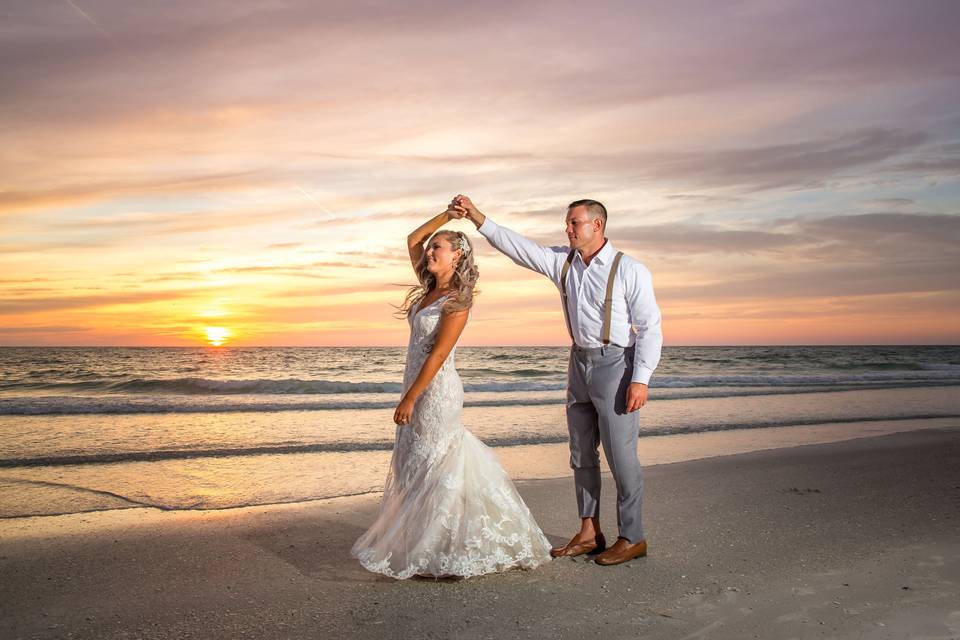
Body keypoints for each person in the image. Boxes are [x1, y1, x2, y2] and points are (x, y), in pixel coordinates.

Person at [450, 195, 662, 566]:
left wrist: (640, 379)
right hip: (578, 363)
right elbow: (520, 248)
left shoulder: (630, 269)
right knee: (581, 453)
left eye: (574, 223)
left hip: (616, 364)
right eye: (567, 223)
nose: (568, 229)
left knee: (621, 457)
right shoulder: (563, 262)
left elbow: (650, 328)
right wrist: (478, 218)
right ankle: (590, 531)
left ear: (597, 226)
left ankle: (633, 536)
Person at [351, 205, 553, 579]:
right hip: (415, 384)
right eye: (430, 250)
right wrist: (448, 217)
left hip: (436, 391)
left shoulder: (458, 299)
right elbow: (412, 239)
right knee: (411, 464)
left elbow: (440, 354)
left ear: (457, 255)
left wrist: (410, 397)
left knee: (436, 465)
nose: (429, 252)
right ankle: (420, 545)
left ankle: (446, 549)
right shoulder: (429, 289)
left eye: (438, 248)